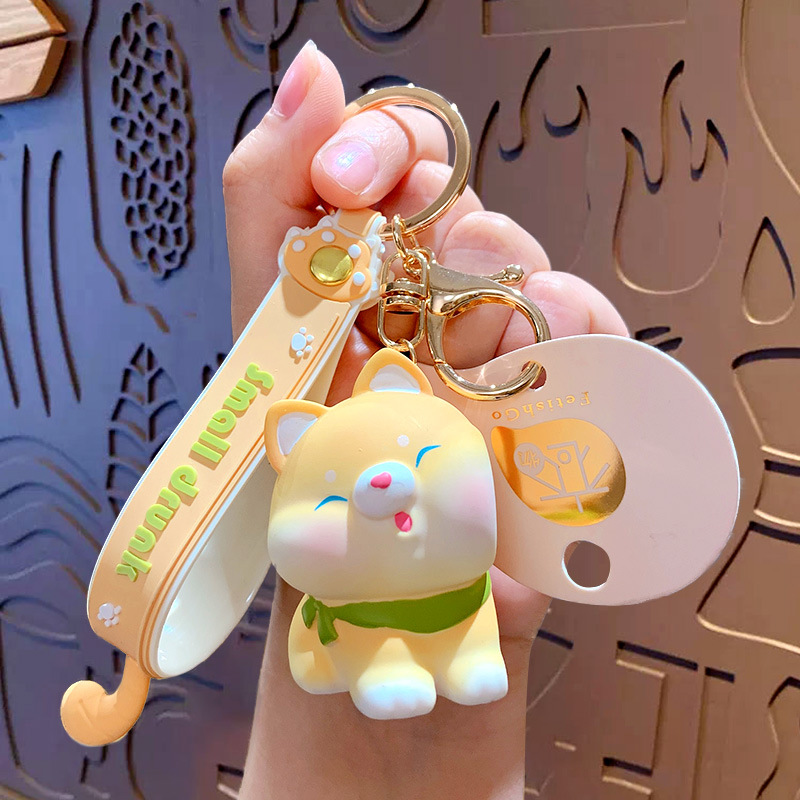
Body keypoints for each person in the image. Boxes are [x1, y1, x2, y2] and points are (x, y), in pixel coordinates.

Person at [222, 41, 627, 800]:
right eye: (328, 493)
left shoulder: (468, 571)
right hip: (341, 659)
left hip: (461, 625)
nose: (380, 486)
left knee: (468, 649)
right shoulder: (332, 593)